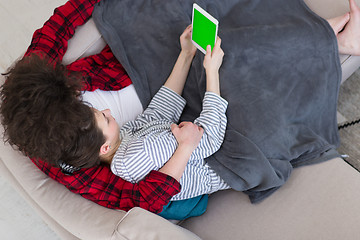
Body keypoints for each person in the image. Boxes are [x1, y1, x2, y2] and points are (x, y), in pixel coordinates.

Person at [1, 0, 360, 213]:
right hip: (192, 123)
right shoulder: (115, 158)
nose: (103, 109)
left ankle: (322, 35)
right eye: (99, 115)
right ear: (102, 145)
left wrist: (186, 56)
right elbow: (145, 195)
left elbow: (158, 112)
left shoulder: (39, 90)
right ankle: (333, 40)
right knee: (236, 63)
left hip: (151, 81)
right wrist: (184, 147)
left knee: (180, 15)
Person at [94, 26, 230, 201]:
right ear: (104, 148)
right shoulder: (141, 153)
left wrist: (186, 55)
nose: (108, 111)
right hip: (224, 163)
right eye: (105, 118)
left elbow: (159, 112)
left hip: (208, 137)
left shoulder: (122, 140)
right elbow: (210, 138)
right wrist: (212, 71)